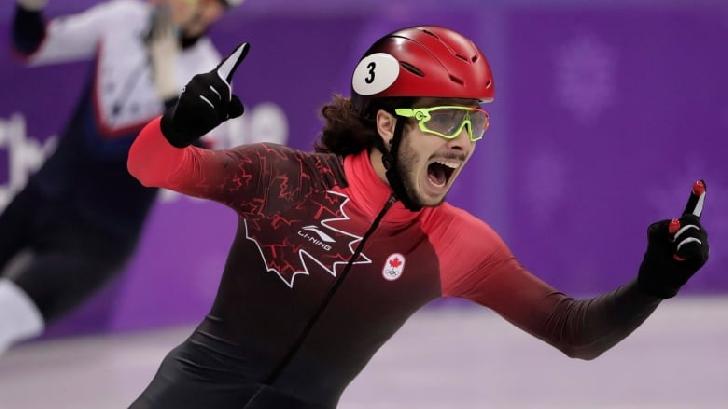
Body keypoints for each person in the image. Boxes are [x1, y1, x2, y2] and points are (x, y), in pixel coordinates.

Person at [126, 27, 709, 409]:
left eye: (472, 124)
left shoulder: (457, 243)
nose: (462, 142)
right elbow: (152, 167)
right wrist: (177, 128)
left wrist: (652, 287)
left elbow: (573, 332)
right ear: (387, 124)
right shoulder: (282, 178)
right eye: (444, 121)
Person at [0, 0, 243, 354]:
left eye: (208, 4)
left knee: (5, 313)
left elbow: (195, 165)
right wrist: (29, 10)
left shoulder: (210, 74)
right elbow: (33, 47)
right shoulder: (122, 19)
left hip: (99, 236)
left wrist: (169, 92)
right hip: (43, 197)